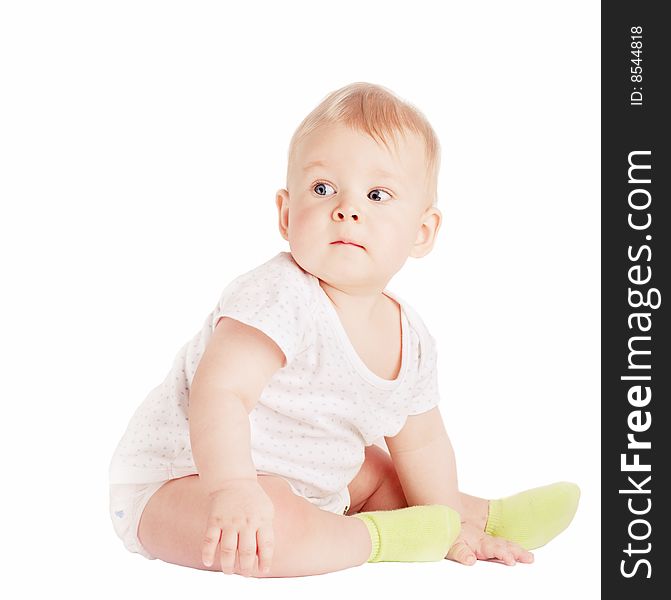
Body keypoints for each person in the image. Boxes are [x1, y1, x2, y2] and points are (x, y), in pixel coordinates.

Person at [108, 82, 580, 578]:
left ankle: (467, 518)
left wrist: (447, 519)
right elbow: (220, 393)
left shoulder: (410, 337)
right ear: (287, 215)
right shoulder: (278, 294)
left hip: (311, 475)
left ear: (422, 232)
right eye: (322, 188)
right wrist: (233, 487)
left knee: (385, 471)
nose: (347, 209)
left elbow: (422, 443)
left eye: (377, 195)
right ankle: (377, 537)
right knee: (267, 531)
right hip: (185, 480)